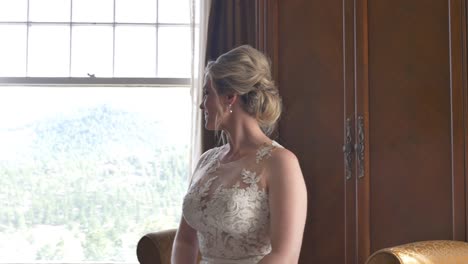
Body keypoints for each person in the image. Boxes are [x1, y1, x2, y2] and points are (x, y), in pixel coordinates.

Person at [171, 45, 307, 264]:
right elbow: (185, 241)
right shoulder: (206, 160)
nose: (201, 105)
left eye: (207, 93)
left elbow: (285, 255)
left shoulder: (281, 163)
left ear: (230, 97)